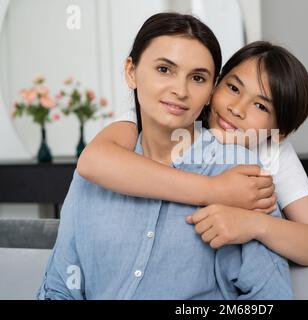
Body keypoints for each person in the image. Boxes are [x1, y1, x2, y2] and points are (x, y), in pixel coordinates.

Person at [36, 13, 293, 300]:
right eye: (164, 69)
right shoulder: (97, 170)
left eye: (197, 78)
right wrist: (213, 191)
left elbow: (271, 297)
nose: (180, 90)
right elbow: (59, 288)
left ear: (210, 91)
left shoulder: (240, 173)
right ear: (131, 71)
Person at [77, 42, 308, 267]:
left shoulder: (272, 150)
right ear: (215, 85)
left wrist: (254, 224)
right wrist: (214, 190)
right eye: (234, 88)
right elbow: (93, 161)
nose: (237, 108)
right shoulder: (171, 114)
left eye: (260, 105)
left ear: (279, 132)